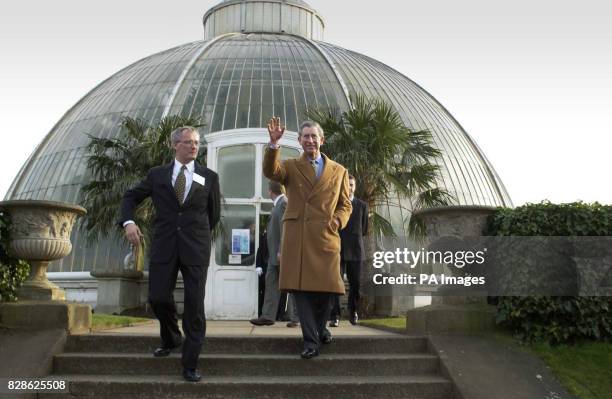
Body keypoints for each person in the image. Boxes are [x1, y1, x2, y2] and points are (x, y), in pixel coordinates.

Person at [119, 126, 220, 382]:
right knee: (158, 297)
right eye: (188, 142)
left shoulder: (209, 176)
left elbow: (213, 215)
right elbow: (130, 198)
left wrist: (197, 236)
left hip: (195, 248)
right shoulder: (157, 175)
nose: (194, 147)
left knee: (195, 306)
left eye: (196, 143)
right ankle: (172, 337)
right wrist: (129, 223)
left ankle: (190, 363)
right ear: (175, 145)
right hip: (165, 245)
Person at [263, 117, 352, 359]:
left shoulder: (339, 170)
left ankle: (320, 327)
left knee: (326, 290)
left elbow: (345, 205)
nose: (310, 140)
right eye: (305, 136)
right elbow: (271, 171)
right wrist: (273, 144)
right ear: (300, 141)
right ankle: (311, 341)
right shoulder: (291, 166)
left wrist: (337, 221)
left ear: (321, 140)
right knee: (300, 291)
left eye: (314, 136)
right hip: (298, 237)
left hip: (326, 236)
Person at [329, 175, 369, 326]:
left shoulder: (362, 206)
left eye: (352, 184)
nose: (350, 187)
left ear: (355, 187)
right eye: (347, 184)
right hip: (337, 249)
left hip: (356, 250)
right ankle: (335, 316)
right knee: (335, 284)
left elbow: (364, 229)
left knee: (356, 284)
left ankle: (353, 313)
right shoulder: (335, 205)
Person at [250, 181, 287, 326]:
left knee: (292, 286)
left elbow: (285, 229)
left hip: (280, 255)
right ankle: (267, 315)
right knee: (271, 282)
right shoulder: (278, 205)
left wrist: (281, 250)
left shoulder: (283, 203)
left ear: (270, 191)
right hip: (273, 257)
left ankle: (297, 317)